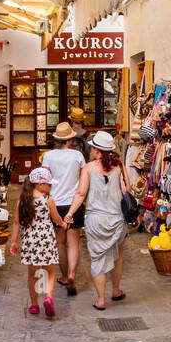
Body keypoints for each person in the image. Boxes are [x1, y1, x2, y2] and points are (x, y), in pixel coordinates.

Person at [63, 130, 130, 310]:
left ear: (97, 151)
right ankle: (115, 290)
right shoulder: (119, 167)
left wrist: (70, 213)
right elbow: (127, 191)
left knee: (98, 259)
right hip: (117, 220)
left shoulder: (88, 169)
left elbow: (80, 193)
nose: (91, 150)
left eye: (92, 148)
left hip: (96, 221)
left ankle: (100, 300)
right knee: (117, 256)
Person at [8, 166, 61, 317]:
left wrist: (13, 242)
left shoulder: (23, 200)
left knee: (33, 274)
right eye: (48, 184)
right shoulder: (48, 200)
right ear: (39, 184)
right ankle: (48, 298)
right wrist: (64, 223)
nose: (50, 187)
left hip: (30, 240)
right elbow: (56, 219)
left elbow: (17, 222)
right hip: (46, 239)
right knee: (50, 272)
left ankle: (34, 305)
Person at [41, 122, 86, 295]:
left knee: (59, 242)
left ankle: (65, 275)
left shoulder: (48, 156)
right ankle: (73, 274)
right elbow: (83, 181)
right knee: (74, 242)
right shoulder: (77, 156)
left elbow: (44, 181)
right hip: (74, 204)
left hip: (55, 203)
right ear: (70, 139)